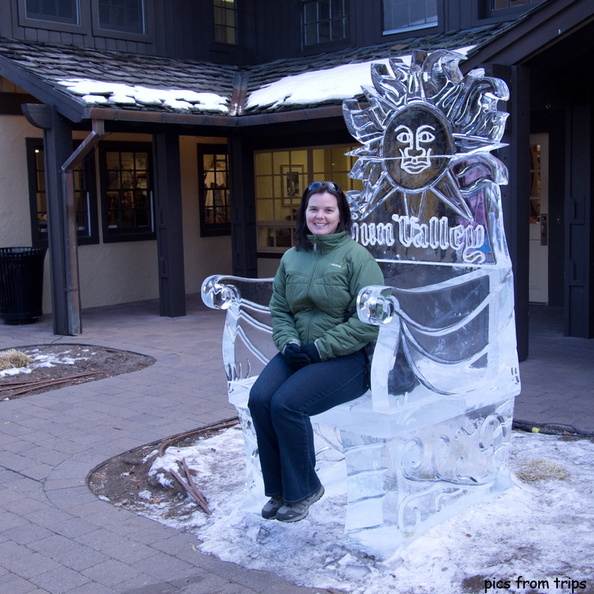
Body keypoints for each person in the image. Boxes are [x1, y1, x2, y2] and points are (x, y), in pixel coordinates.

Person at [248, 181, 385, 523]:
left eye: (328, 209)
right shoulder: (291, 257)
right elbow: (279, 308)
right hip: (298, 351)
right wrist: (290, 344)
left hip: (347, 359)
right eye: (313, 209)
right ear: (303, 213)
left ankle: (305, 488)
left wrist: (319, 349)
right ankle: (280, 489)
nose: (319, 216)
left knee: (287, 404)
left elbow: (370, 321)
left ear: (341, 216)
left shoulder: (357, 257)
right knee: (260, 398)